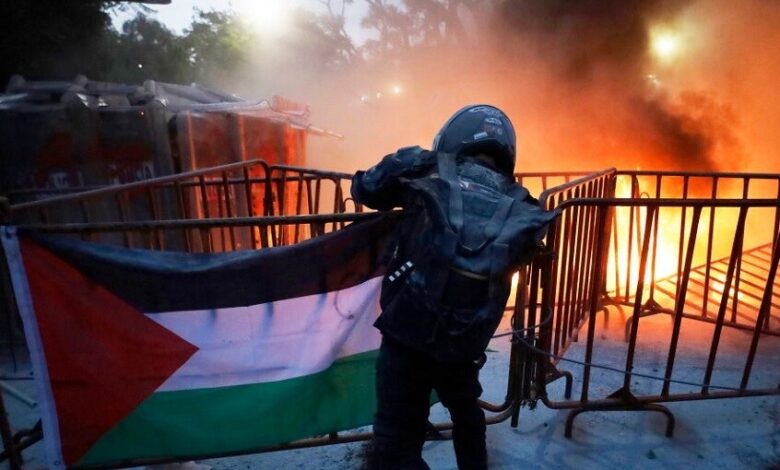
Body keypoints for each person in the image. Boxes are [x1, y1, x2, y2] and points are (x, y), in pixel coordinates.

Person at [352, 104, 554, 469]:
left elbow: (368, 188)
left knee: (396, 435)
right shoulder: (521, 202)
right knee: (465, 411)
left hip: (408, 330)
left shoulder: (424, 166)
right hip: (466, 337)